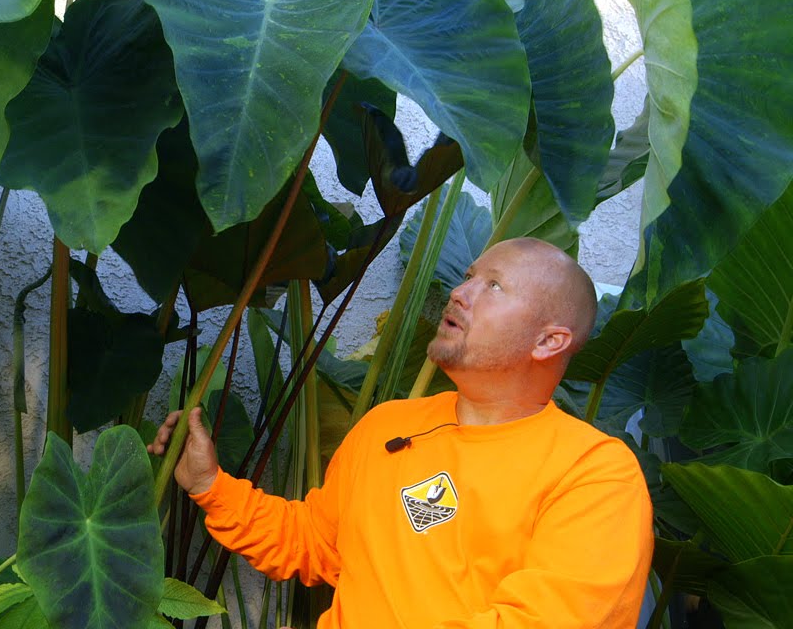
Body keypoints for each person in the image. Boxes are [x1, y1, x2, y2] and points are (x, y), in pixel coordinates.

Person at [148, 238, 654, 628]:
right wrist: (209, 485)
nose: (461, 291)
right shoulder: (388, 425)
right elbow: (314, 542)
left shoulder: (594, 473)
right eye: (471, 275)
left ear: (550, 341)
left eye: (494, 286)